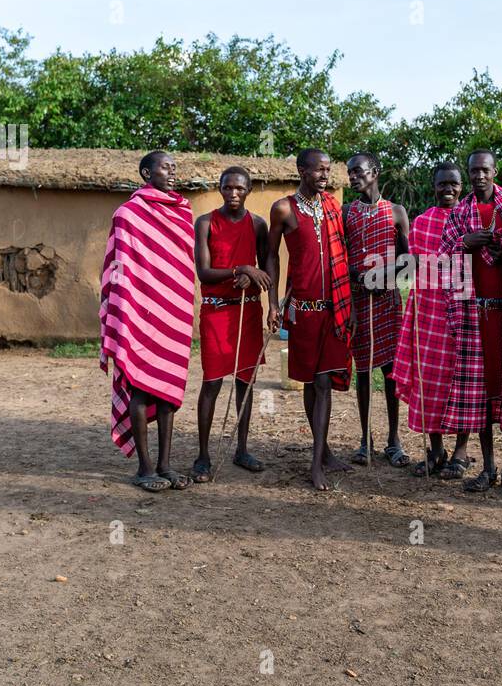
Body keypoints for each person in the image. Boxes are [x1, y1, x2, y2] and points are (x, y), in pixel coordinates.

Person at [438, 149, 502, 497]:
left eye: (484, 170)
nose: (479, 176)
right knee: (480, 392)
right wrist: (466, 243)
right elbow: (442, 259)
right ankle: (487, 468)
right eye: (473, 171)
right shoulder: (460, 213)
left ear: (495, 171)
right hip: (474, 314)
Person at [99, 150, 196, 491]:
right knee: (140, 387)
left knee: (168, 391)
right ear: (145, 173)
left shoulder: (182, 212)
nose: (172, 173)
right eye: (165, 167)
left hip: (174, 310)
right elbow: (118, 268)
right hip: (140, 313)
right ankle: (144, 468)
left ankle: (165, 464)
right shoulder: (128, 214)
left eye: (174, 167)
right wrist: (126, 312)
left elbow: (182, 265)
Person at [266, 148, 354, 491]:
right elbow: (271, 256)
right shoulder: (284, 209)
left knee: (322, 382)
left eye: (328, 170)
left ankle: (319, 459)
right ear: (302, 170)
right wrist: (273, 303)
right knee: (310, 381)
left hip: (335, 308)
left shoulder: (332, 206)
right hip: (303, 311)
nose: (324, 176)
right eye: (318, 170)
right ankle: (321, 456)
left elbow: (344, 254)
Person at [393, 162, 472, 479]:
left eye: (453, 183)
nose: (448, 189)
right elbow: (413, 270)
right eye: (442, 184)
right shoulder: (422, 222)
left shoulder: (470, 219)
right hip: (427, 312)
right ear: (434, 186)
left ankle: (462, 452)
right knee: (429, 382)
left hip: (463, 312)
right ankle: (436, 449)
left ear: (461, 186)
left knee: (463, 382)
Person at [191, 166, 271, 482]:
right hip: (216, 311)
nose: (233, 193)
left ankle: (242, 448)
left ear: (249, 190)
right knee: (212, 381)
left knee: (245, 382)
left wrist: (256, 282)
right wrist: (241, 269)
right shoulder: (206, 223)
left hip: (247, 310)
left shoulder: (258, 225)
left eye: (239, 188)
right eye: (227, 188)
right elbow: (204, 272)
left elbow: (266, 270)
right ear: (220, 189)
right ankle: (202, 455)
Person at [344, 153, 412, 468]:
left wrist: (382, 277)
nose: (352, 176)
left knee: (390, 373)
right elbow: (341, 258)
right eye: (349, 172)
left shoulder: (396, 212)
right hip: (358, 300)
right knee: (363, 372)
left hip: (387, 300)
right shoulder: (347, 214)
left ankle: (394, 441)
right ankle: (365, 439)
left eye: (357, 171)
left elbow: (406, 260)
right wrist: (360, 279)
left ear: (375, 172)